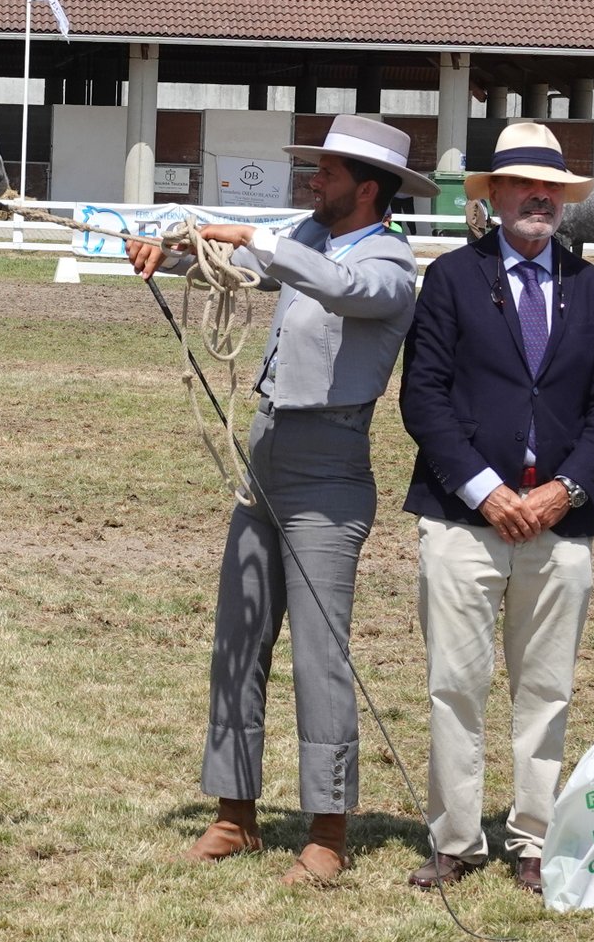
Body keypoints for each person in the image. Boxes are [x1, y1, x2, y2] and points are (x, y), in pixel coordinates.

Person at [130, 115, 424, 885]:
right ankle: (235, 813)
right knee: (240, 634)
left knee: (322, 656)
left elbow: (339, 288)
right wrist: (175, 255)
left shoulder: (388, 259)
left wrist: (254, 238)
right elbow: (246, 274)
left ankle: (328, 829)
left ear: (365, 190)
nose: (311, 181)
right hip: (265, 449)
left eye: (325, 174)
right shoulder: (311, 237)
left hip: (329, 466)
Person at [397, 123, 594, 894]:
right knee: (454, 685)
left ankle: (533, 836)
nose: (539, 199)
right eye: (523, 186)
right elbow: (423, 398)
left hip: (560, 522)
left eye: (552, 189)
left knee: (547, 688)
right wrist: (486, 490)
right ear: (494, 196)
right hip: (465, 519)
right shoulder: (452, 279)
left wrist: (565, 488)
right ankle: (456, 840)